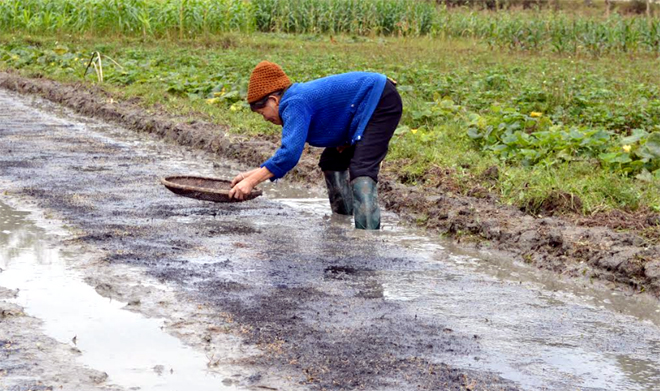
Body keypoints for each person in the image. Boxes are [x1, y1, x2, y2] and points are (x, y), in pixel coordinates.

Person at [228, 61, 402, 230]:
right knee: (332, 161)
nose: (265, 118)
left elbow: (289, 154)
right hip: (360, 108)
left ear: (274, 100)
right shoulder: (294, 101)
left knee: (362, 167)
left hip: (380, 100)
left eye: (262, 112)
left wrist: (252, 181)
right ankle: (342, 221)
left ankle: (367, 240)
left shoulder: (293, 103)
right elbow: (286, 152)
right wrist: (248, 175)